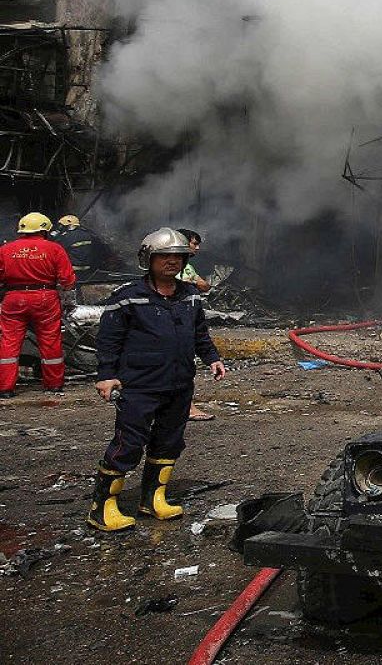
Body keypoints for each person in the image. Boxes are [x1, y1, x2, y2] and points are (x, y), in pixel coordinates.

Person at [89, 227, 226, 532]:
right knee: (129, 443)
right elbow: (109, 340)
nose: (171, 262)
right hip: (140, 385)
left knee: (169, 442)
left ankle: (152, 499)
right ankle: (102, 507)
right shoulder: (127, 298)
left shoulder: (190, 295)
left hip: (178, 384)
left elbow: (200, 333)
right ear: (148, 259)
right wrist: (106, 375)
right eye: (163, 256)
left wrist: (212, 358)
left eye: (178, 256)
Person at [0, 213, 76, 399]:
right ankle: (53, 386)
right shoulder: (54, 248)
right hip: (45, 298)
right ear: (45, 230)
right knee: (50, 341)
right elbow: (68, 280)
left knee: (8, 343)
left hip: (13, 298)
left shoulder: (5, 249)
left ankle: (5, 389)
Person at [176, 229, 215, 421]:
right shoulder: (178, 267)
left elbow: (202, 285)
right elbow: (202, 285)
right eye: (194, 243)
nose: (197, 248)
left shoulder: (187, 267)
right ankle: (187, 407)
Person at [51, 215, 118, 278]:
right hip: (88, 270)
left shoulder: (66, 237)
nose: (60, 228)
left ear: (69, 226)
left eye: (62, 226)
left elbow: (54, 250)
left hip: (72, 270)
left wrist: (54, 237)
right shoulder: (88, 234)